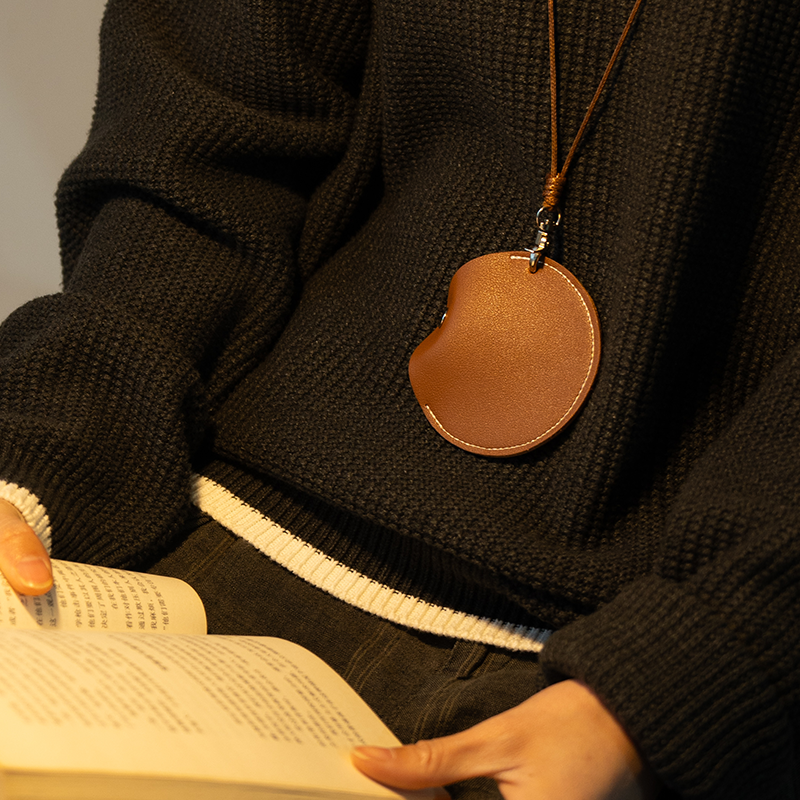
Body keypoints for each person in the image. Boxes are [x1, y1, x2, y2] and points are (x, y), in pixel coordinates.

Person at [0, 1, 798, 798]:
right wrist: (38, 456)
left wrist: (706, 668)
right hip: (208, 550)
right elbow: (202, 140)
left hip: (638, 686)